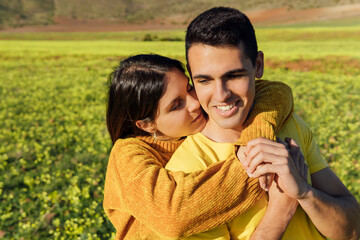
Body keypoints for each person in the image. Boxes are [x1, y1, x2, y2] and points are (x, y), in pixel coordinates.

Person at [166, 6, 360, 240]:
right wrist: (283, 207)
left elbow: (353, 231)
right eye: (204, 80)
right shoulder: (185, 170)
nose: (221, 95)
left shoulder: (288, 125)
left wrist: (306, 194)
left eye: (234, 76)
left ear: (258, 65)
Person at [103, 53, 297, 239]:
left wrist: (254, 140)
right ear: (146, 124)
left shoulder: (191, 127)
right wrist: (257, 163)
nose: (195, 103)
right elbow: (173, 215)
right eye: (176, 105)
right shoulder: (127, 154)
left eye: (189, 88)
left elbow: (274, 91)